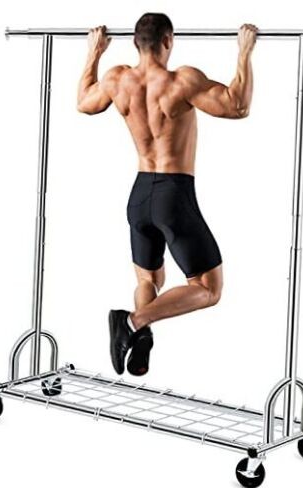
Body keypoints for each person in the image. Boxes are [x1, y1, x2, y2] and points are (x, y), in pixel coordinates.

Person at [77, 13, 257, 376]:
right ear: (168, 41)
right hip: (173, 197)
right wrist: (244, 52)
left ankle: (139, 335)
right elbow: (237, 105)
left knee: (149, 281)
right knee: (208, 288)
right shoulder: (181, 81)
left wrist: (94, 53)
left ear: (135, 43)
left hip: (140, 195)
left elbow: (84, 102)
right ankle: (132, 323)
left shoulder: (116, 79)